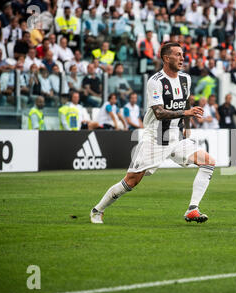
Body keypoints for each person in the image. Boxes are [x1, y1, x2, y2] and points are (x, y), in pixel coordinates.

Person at [90, 42, 213, 225]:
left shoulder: (185, 79)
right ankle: (97, 210)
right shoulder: (155, 81)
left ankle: (192, 209)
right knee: (131, 181)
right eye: (177, 55)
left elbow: (186, 102)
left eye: (182, 54)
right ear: (166, 58)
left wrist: (186, 125)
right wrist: (185, 114)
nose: (182, 58)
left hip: (176, 136)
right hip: (156, 137)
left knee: (208, 162)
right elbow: (159, 112)